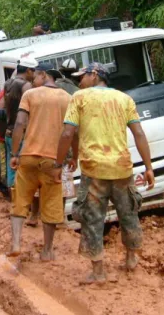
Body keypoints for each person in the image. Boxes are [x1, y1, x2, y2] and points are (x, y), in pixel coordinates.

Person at [56, 62, 155, 284]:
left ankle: (99, 272)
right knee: (129, 214)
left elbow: (67, 134)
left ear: (94, 75)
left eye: (82, 77)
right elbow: (138, 133)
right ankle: (130, 260)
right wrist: (148, 167)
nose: (79, 81)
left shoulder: (80, 99)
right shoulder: (124, 99)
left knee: (92, 219)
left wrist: (57, 164)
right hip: (122, 168)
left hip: (94, 170)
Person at [7, 63, 70, 260]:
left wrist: (15, 153)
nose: (33, 80)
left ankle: (16, 243)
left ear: (43, 75)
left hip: (28, 156)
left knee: (21, 200)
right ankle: (47, 250)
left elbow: (19, 123)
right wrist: (71, 156)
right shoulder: (67, 98)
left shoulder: (30, 95)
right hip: (53, 160)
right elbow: (71, 132)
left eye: (35, 76)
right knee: (51, 203)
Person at [3, 57, 37, 190]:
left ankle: (15, 205)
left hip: (9, 132)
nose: (34, 75)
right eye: (34, 71)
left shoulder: (8, 83)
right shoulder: (26, 86)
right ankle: (24, 206)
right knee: (25, 174)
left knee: (12, 171)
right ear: (29, 70)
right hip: (21, 134)